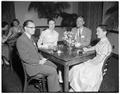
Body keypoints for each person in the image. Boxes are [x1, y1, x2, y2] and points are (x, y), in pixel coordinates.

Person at [16, 20, 61, 92]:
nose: (34, 29)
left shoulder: (31, 38)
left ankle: (51, 85)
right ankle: (54, 91)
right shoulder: (21, 40)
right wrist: (39, 61)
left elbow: (36, 52)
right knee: (52, 71)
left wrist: (42, 58)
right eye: (31, 27)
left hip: (37, 61)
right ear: (25, 28)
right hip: (31, 66)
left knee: (54, 66)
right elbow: (25, 58)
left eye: (34, 27)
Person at [69, 25, 112, 92]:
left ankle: (79, 89)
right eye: (96, 31)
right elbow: (95, 47)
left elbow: (100, 60)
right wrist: (87, 50)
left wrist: (89, 64)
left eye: (98, 31)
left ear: (104, 32)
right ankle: (76, 88)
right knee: (76, 67)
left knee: (81, 70)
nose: (96, 33)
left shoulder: (106, 44)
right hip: (95, 61)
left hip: (98, 65)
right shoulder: (102, 41)